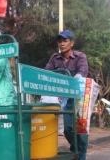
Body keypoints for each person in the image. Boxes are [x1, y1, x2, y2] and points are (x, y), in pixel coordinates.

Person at [45, 30, 89, 160]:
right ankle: (77, 149)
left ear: (72, 43)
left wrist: (74, 79)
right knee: (67, 129)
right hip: (63, 97)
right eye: (60, 41)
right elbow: (47, 72)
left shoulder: (80, 56)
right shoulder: (54, 58)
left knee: (80, 129)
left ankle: (81, 155)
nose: (62, 44)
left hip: (79, 96)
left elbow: (82, 71)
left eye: (65, 41)